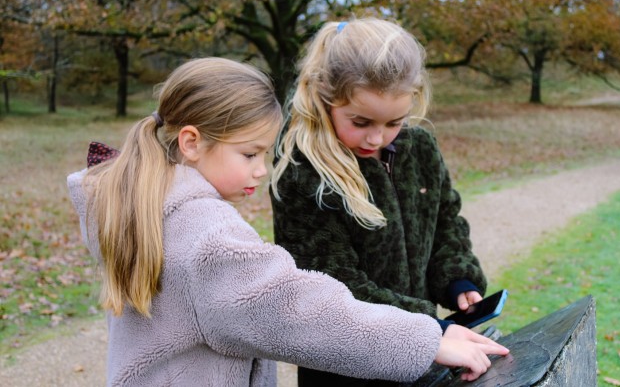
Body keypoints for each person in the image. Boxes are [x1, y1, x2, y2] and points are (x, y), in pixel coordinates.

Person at [67, 57, 508, 387]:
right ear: (191, 143)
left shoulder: (144, 201)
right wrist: (425, 340)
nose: (262, 169)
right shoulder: (204, 236)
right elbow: (295, 312)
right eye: (249, 154)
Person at [270, 18, 492, 386]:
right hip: (347, 368)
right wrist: (429, 330)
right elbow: (333, 287)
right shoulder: (304, 174)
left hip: (427, 359)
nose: (376, 137)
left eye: (394, 122)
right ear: (326, 99)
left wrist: (458, 278)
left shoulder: (419, 149)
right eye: (360, 121)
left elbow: (446, 223)